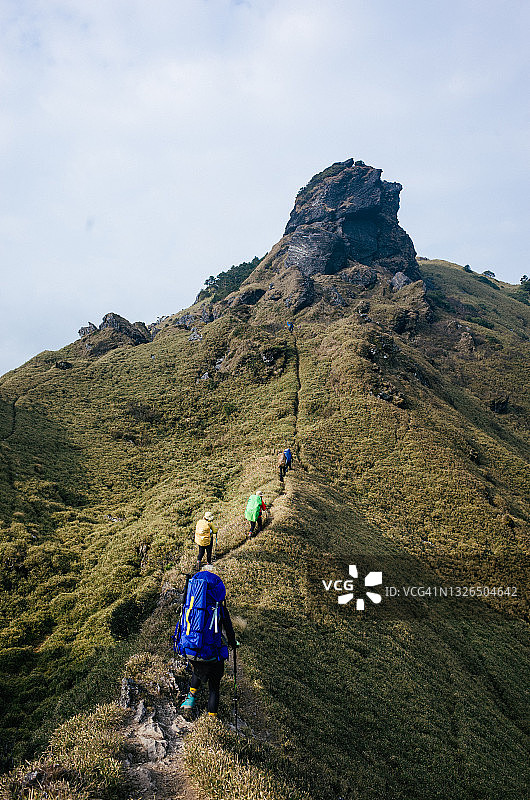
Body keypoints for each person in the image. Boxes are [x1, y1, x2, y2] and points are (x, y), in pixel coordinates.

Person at [176, 571, 237, 719]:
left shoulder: (190, 604)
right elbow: (229, 629)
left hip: (191, 650)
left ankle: (190, 700)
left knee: (198, 669)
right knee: (214, 688)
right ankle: (211, 719)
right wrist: (233, 643)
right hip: (211, 656)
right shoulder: (219, 608)